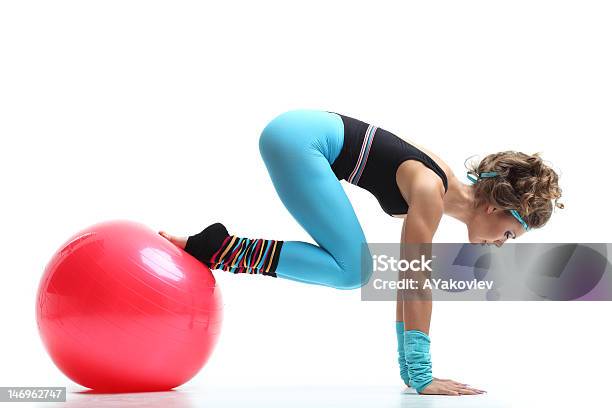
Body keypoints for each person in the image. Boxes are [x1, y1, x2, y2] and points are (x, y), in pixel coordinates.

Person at [160, 109, 563, 395]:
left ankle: (219, 247)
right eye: (509, 234)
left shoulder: (440, 182)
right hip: (300, 139)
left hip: (301, 131)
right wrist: (423, 375)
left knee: (354, 267)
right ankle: (219, 247)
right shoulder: (430, 192)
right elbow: (413, 282)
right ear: (495, 208)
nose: (500, 244)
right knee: (354, 269)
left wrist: (410, 371)